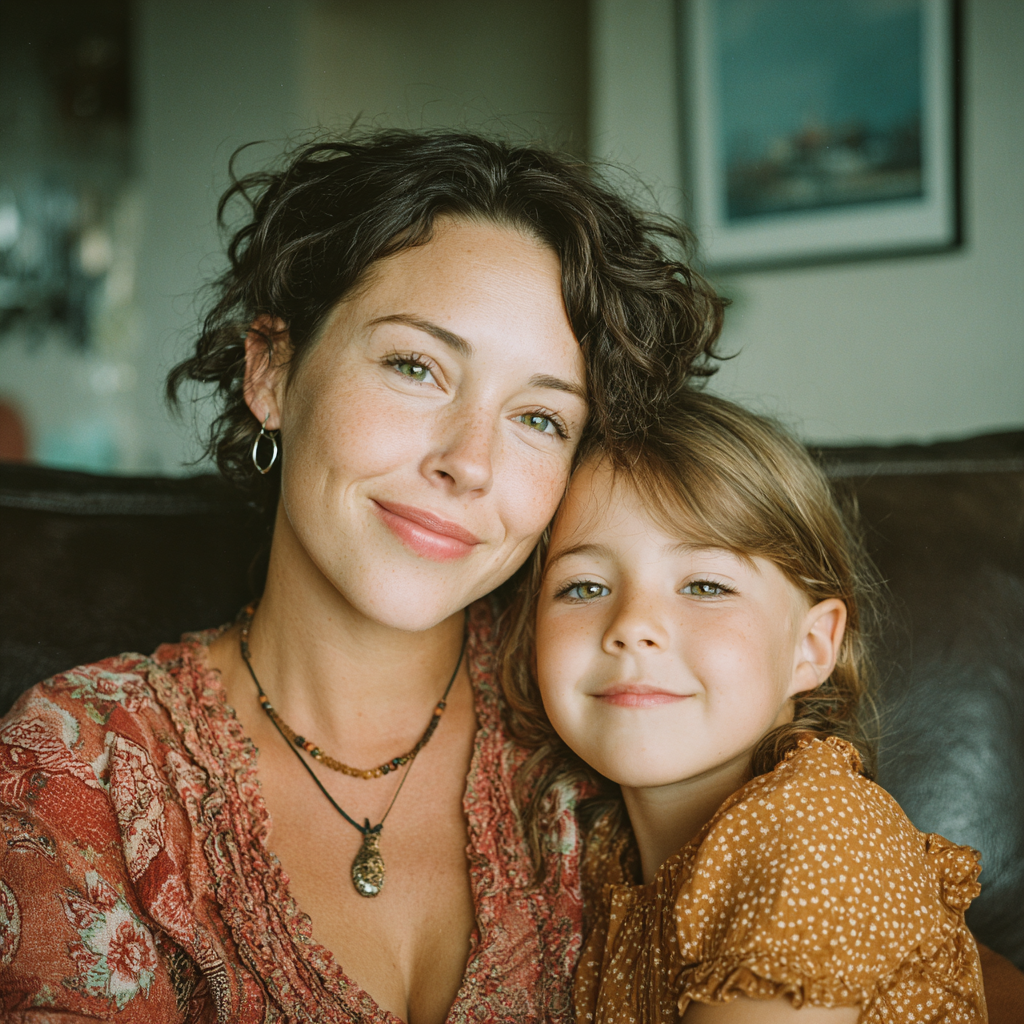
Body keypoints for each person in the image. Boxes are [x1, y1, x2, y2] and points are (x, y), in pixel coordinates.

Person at [0, 131, 726, 1023]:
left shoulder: (613, 707)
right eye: (415, 367)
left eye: (539, 417)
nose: (470, 462)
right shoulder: (82, 767)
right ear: (271, 369)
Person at [500, 389, 988, 1022]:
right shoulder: (598, 855)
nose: (633, 625)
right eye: (585, 586)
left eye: (705, 585)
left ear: (810, 649)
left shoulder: (816, 827)